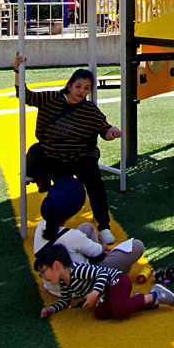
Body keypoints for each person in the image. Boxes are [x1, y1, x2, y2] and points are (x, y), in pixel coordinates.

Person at [15, 53, 120, 238]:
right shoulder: (50, 99)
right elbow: (25, 95)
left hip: (82, 157)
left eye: (86, 88)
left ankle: (104, 226)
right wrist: (17, 69)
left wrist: (111, 132)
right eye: (78, 86)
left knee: (95, 184)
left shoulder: (89, 110)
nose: (81, 91)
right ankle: (53, 220)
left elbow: (103, 127)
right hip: (55, 157)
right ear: (70, 85)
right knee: (48, 168)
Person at [31, 177, 174, 285]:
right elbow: (96, 251)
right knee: (137, 246)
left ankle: (118, 267)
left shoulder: (41, 227)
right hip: (82, 282)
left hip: (52, 284)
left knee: (87, 228)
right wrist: (105, 249)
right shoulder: (72, 236)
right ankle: (113, 273)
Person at [34, 244, 174, 320]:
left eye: (43, 271)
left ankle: (155, 295)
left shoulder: (76, 270)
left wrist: (95, 293)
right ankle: (141, 301)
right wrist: (51, 309)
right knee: (100, 314)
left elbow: (102, 274)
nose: (43, 276)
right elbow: (65, 300)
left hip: (117, 280)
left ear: (56, 265)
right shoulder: (64, 282)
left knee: (117, 310)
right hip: (107, 292)